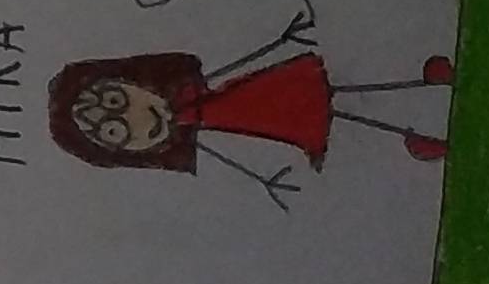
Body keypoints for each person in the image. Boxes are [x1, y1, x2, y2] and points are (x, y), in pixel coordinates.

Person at [47, 42, 453, 201]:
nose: (136, 117)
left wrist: (281, 41)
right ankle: (415, 135)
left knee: (333, 92)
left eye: (117, 99)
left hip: (257, 93)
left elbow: (240, 64)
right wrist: (265, 181)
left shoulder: (192, 91)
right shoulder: (193, 133)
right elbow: (235, 155)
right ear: (121, 153)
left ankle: (421, 82)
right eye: (115, 131)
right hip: (253, 120)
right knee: (337, 113)